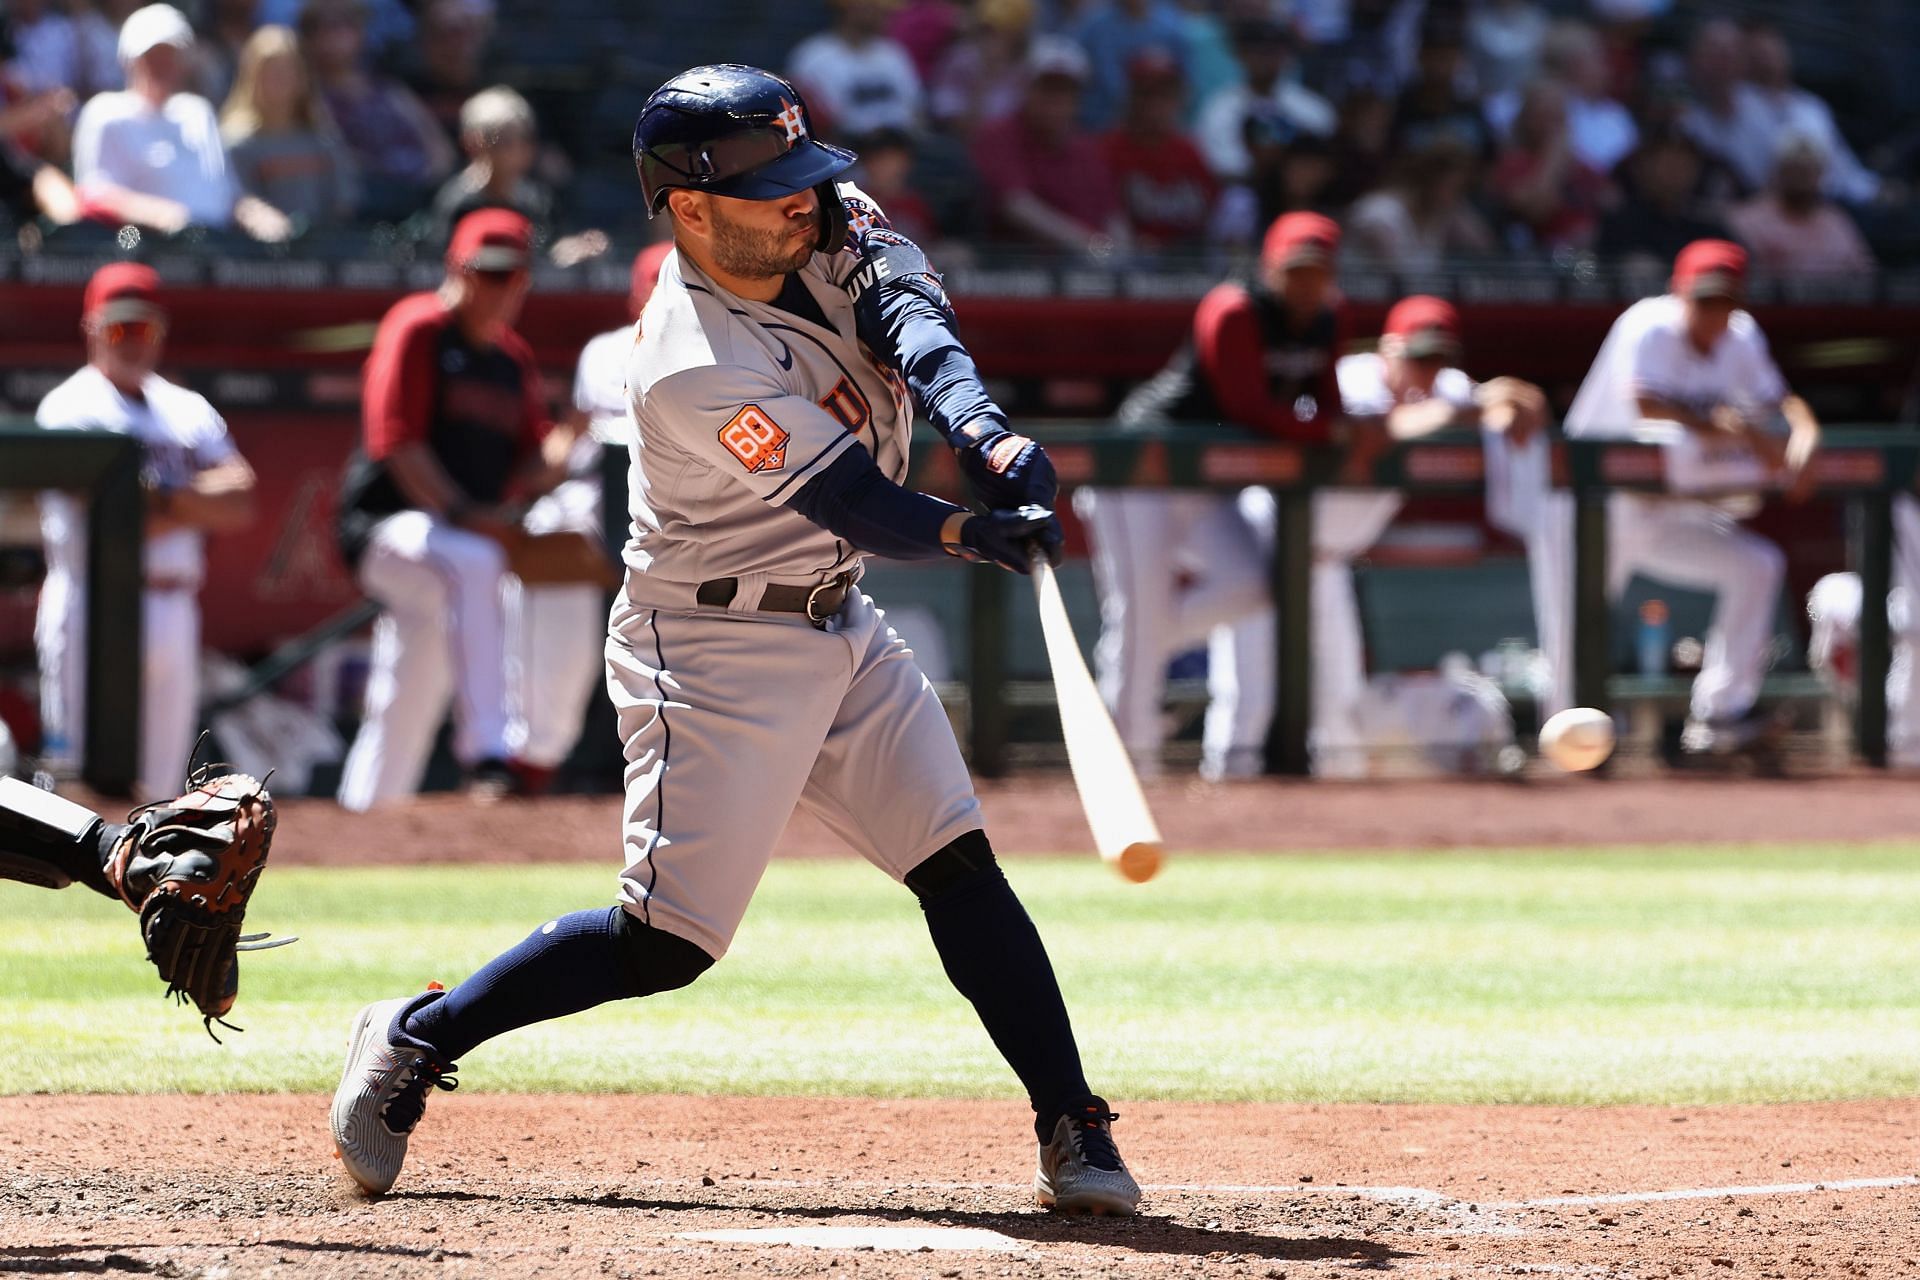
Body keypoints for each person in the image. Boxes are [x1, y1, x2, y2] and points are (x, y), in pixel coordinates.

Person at [330, 63, 1141, 1219]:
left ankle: (1071, 1117)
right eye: (773, 189)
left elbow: (910, 314)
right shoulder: (686, 359)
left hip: (838, 616)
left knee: (958, 864)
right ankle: (418, 1031)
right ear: (691, 207)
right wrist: (971, 529)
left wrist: (984, 430)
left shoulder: (824, 212)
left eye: (808, 178)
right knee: (666, 943)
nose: (805, 203)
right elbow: (854, 499)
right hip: (709, 646)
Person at [1073, 211, 1344, 781]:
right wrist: (1332, 433)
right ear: (1270, 266)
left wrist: (1336, 427)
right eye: (1294, 270)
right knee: (1138, 617)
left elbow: (1328, 403)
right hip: (1140, 471)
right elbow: (1250, 407)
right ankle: (1122, 770)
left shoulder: (1326, 319)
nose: (1305, 283)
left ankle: (1139, 655)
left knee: (1252, 585)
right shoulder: (1234, 307)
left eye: (1316, 271)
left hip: (1206, 483)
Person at [1546, 240, 1821, 751]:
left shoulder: (1741, 336)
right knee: (1573, 624)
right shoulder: (1646, 324)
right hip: (1595, 505)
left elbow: (1777, 402)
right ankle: (1560, 745)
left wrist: (1805, 432)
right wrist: (1736, 431)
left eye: (1724, 302)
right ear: (1679, 292)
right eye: (1704, 300)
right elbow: (1647, 404)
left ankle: (1720, 717)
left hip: (1667, 510)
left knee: (1757, 565)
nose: (1714, 313)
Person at [331, 208, 560, 811]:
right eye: (484, 273)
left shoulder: (513, 358)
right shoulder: (419, 326)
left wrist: (587, 431)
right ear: (455, 269)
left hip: (453, 546)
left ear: (525, 283)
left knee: (413, 677)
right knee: (476, 562)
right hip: (386, 527)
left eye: (509, 275)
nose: (497, 287)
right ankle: (490, 751)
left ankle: (365, 815)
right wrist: (466, 512)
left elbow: (536, 463)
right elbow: (397, 446)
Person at [35, 263, 259, 799]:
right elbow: (116, 520)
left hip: (174, 602)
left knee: (163, 793)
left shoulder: (185, 408)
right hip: (94, 601)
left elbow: (243, 496)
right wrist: (194, 499)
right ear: (91, 329)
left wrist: (163, 499)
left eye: (144, 328)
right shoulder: (70, 406)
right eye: (118, 328)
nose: (132, 342)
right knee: (83, 782)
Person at [1317, 296, 1546, 772]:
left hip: (1326, 561)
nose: (1427, 370)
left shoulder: (1442, 388)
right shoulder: (1353, 376)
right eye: (1418, 357)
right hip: (1268, 542)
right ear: (1389, 349)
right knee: (1252, 695)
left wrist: (1510, 407)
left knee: (1339, 706)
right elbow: (1380, 430)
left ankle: (1326, 833)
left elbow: (1522, 407)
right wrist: (1467, 409)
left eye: (1437, 359)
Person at [503, 242, 671, 793]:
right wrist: (521, 488)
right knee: (547, 539)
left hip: (681, 506)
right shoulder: (607, 350)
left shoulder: (727, 347)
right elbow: (572, 436)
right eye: (656, 284)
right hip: (597, 499)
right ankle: (535, 757)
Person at [70, 3, 292, 240]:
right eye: (152, 55)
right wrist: (160, 215)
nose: (163, 64)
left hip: (212, 250)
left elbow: (227, 194)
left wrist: (256, 214)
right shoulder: (105, 112)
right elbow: (93, 193)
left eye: (170, 54)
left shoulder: (198, 112)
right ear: (128, 59)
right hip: (139, 247)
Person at [970, 37, 1125, 258]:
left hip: (1092, 271)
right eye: (1047, 88)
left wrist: (1121, 254)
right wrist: (1092, 247)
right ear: (1027, 88)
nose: (1055, 99)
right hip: (1021, 271)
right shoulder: (998, 135)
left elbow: (1112, 215)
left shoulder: (1086, 148)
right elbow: (1017, 206)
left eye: (1064, 91)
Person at [299, 0, 453, 221]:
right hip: (364, 206)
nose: (335, 36)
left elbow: (439, 149)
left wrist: (427, 182)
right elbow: (337, 158)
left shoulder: (390, 90)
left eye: (345, 25)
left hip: (418, 199)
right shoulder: (308, 98)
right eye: (323, 27)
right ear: (308, 38)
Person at [219, 24, 358, 231]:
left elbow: (344, 201)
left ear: (302, 77)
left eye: (286, 71)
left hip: (323, 254)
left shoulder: (323, 141)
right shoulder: (235, 145)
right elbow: (235, 202)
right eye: (269, 72)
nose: (278, 81)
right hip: (255, 258)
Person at [1193, 16, 1334, 185]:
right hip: (1240, 192)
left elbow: (1326, 158)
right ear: (1241, 54)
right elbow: (1221, 165)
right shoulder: (1219, 108)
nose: (1266, 59)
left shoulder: (1312, 108)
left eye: (1274, 51)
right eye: (1258, 51)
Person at [1100, 48, 1215, 251]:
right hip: (1126, 263)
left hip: (1183, 263)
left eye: (1165, 94)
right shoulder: (1108, 150)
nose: (1156, 103)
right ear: (1132, 97)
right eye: (1147, 93)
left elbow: (1208, 215)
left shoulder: (1189, 152)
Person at [1724, 132, 1874, 277]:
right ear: (1778, 169)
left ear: (1821, 173)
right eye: (1794, 167)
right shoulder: (1747, 220)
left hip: (1836, 302)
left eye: (1808, 169)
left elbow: (1867, 275)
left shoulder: (1836, 222)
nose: (1801, 176)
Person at [788, 0, 924, 138]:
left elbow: (916, 111)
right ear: (850, 8)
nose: (884, 14)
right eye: (874, 7)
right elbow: (810, 124)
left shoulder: (893, 52)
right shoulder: (812, 56)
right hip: (843, 148)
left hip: (897, 145)